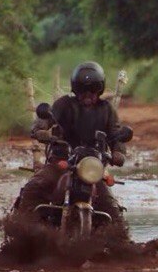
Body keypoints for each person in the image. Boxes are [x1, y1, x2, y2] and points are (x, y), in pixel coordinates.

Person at [15, 61, 128, 224]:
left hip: (91, 166)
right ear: (75, 89)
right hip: (61, 162)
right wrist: (41, 130)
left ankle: (122, 243)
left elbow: (116, 134)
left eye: (93, 89)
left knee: (111, 206)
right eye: (83, 90)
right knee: (34, 187)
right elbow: (45, 119)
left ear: (100, 89)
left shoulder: (107, 110)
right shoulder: (64, 104)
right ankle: (20, 229)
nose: (87, 94)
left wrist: (118, 152)